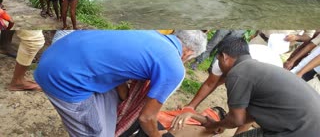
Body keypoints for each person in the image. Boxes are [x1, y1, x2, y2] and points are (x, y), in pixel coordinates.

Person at [34, 30, 207, 137]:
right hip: (62, 77)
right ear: (188, 53)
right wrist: (156, 135)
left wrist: (125, 97)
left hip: (57, 53)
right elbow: (146, 118)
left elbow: (116, 68)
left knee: (109, 115)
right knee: (93, 133)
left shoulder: (151, 35)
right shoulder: (174, 66)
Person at [175, 36, 320, 136]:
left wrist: (215, 124)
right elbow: (249, 116)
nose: (218, 65)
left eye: (218, 60)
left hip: (300, 130)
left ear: (225, 57)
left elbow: (237, 120)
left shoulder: (238, 74)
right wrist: (217, 123)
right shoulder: (254, 68)